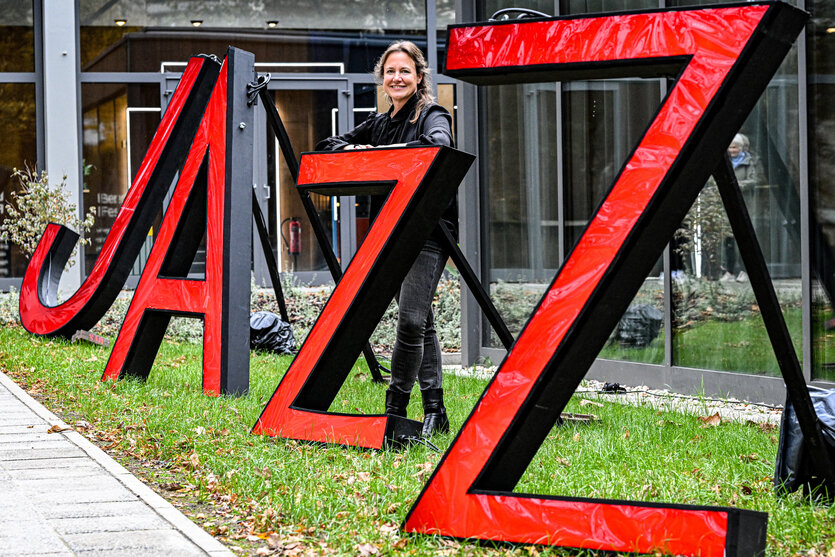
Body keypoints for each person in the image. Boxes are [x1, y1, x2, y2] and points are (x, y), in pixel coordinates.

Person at [316, 41, 454, 437]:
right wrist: (363, 149)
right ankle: (435, 411)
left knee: (410, 321)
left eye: (405, 71)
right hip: (389, 230)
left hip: (427, 230)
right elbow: (329, 147)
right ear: (382, 77)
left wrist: (384, 153)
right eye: (391, 71)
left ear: (418, 76)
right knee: (421, 321)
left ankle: (395, 407)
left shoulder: (431, 113)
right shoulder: (377, 123)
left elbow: (439, 145)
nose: (397, 77)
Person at [721, 133, 763, 282]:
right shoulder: (724, 161)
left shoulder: (750, 161)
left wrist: (738, 186)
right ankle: (730, 272)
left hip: (745, 204)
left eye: (735, 147)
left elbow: (755, 180)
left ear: (741, 147)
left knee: (744, 239)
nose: (732, 150)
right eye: (730, 147)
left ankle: (745, 271)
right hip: (726, 205)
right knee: (728, 239)